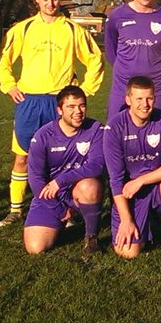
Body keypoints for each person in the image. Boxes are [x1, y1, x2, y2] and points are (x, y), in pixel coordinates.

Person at [0, 0, 104, 228]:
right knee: (22, 156)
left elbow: (95, 60)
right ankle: (15, 210)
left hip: (59, 103)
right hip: (30, 101)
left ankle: (65, 208)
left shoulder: (72, 30)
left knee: (63, 158)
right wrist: (9, 85)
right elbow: (4, 59)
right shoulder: (22, 29)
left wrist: (85, 90)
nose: (50, 3)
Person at [103, 76, 161, 262]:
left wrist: (141, 180)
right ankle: (149, 223)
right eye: (139, 99)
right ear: (128, 100)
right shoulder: (115, 127)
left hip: (155, 187)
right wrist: (127, 220)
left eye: (149, 98)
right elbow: (116, 180)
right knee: (129, 252)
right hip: (129, 194)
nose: (145, 104)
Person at [22, 86, 106, 255]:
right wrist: (61, 206)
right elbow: (36, 180)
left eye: (82, 106)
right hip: (51, 196)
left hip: (77, 190)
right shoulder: (43, 136)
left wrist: (61, 181)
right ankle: (59, 223)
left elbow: (98, 165)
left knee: (90, 186)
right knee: (35, 248)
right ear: (59, 110)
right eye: (71, 107)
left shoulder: (95, 129)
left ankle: (91, 238)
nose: (78, 111)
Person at [104, 0, 161, 120]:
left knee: (156, 136)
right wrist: (124, 69)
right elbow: (111, 50)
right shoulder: (117, 16)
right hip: (123, 88)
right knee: (117, 134)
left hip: (155, 89)